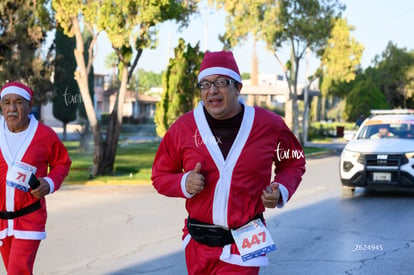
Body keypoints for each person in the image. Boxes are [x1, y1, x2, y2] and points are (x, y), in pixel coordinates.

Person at [152, 51, 306, 274]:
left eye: (221, 82)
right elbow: (160, 175)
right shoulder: (184, 128)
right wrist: (184, 182)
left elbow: (293, 162)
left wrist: (280, 189)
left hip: (246, 239)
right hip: (198, 242)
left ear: (238, 88)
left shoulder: (269, 125)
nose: (212, 90)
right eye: (205, 84)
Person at [0, 81, 71, 274]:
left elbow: (63, 163)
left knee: (17, 271)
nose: (12, 108)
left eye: (18, 102)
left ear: (30, 105)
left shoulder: (44, 135)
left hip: (29, 217)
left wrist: (49, 183)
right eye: (6, 102)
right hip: (2, 221)